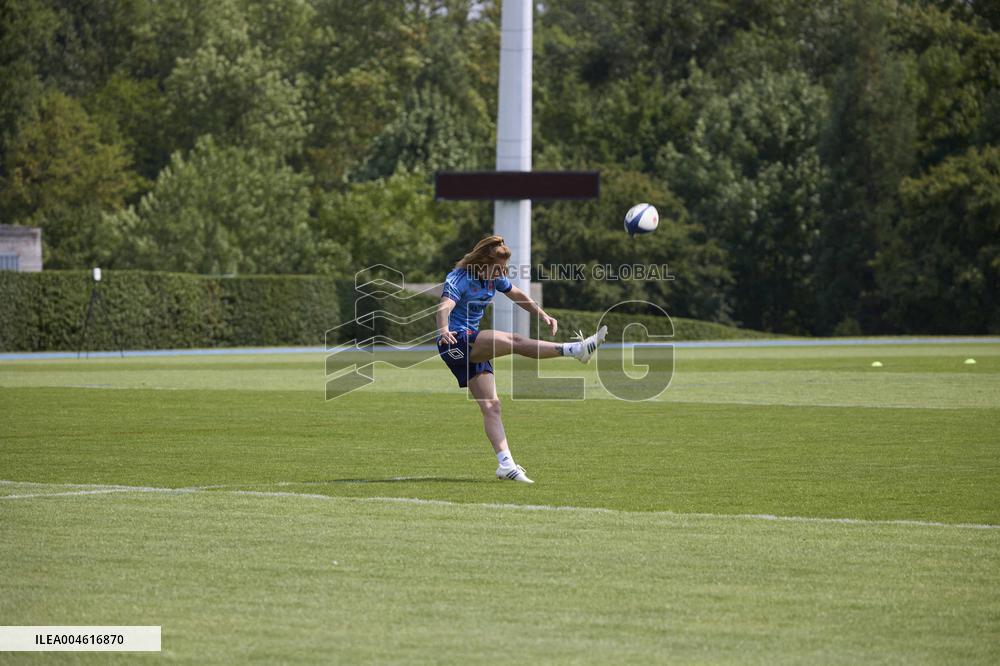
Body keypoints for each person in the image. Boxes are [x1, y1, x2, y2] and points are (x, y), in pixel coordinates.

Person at [436, 235, 607, 484]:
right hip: (455, 341)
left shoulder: (494, 277)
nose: (502, 273)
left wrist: (544, 315)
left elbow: (517, 295)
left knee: (492, 406)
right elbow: (444, 307)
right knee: (514, 341)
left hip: (471, 344)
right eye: (498, 268)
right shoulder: (460, 278)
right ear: (481, 263)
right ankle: (576, 350)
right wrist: (443, 330)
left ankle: (506, 465)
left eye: (504, 269)